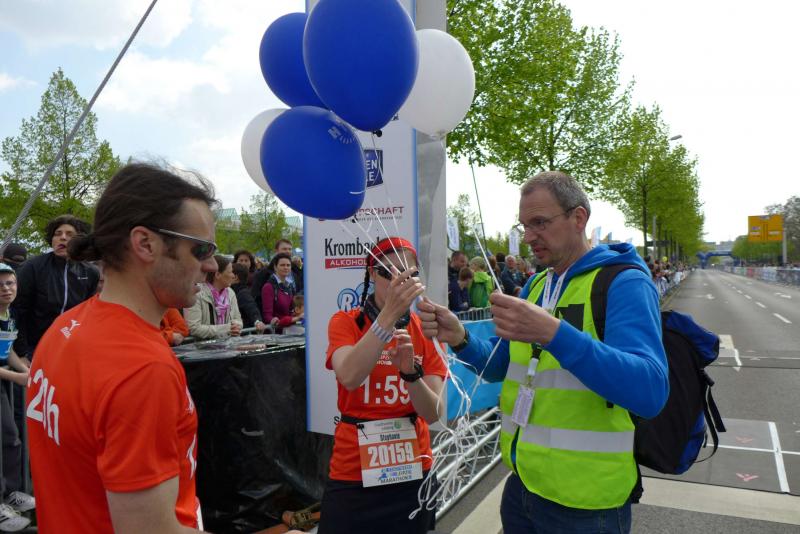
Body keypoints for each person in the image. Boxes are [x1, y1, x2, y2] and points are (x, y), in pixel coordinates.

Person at [418, 171, 668, 534]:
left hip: (586, 505)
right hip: (523, 486)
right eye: (524, 226)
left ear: (578, 218)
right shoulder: (537, 284)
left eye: (539, 223)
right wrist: (460, 337)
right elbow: (501, 366)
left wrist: (555, 334)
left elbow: (650, 390)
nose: (529, 237)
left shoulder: (623, 282)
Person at [25, 162, 217, 533]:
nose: (210, 264)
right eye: (201, 249)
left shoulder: (66, 327)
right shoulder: (143, 369)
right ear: (145, 244)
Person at [319, 237, 447, 534]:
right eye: (389, 273)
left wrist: (410, 374)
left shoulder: (425, 329)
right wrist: (388, 317)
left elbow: (433, 413)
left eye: (408, 274)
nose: (399, 282)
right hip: (353, 471)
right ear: (372, 274)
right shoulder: (345, 321)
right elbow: (349, 376)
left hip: (412, 468)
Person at [14, 215, 99, 360]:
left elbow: (87, 313)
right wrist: (22, 353)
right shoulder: (32, 267)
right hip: (33, 347)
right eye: (58, 234)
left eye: (69, 234)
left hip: (69, 346)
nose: (63, 238)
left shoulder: (90, 272)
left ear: (80, 240)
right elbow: (18, 311)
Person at [0, 263, 35, 532]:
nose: (5, 289)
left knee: (11, 438)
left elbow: (7, 349)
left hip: (4, 381)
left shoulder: (9, 314)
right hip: (4, 381)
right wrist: (17, 377)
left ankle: (10, 493)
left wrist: (26, 371)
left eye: (10, 283)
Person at [185, 255, 243, 340]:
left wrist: (236, 326)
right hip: (203, 347)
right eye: (230, 272)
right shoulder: (196, 293)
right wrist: (226, 328)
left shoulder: (230, 293)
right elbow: (193, 328)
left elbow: (238, 320)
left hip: (229, 345)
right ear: (218, 275)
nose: (233, 276)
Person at [252, 238, 300, 310]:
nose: (287, 251)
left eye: (290, 249)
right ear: (276, 251)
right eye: (284, 249)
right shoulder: (264, 274)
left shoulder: (296, 271)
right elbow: (256, 297)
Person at [261, 253, 301, 333]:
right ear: (275, 267)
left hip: (289, 329)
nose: (286, 267)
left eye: (288, 265)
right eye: (282, 265)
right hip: (276, 333)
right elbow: (267, 315)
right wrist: (273, 320)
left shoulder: (290, 285)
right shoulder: (268, 287)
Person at [231, 263, 267, 333]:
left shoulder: (243, 293)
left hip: (244, 334)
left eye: (230, 272)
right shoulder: (233, 291)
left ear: (235, 277)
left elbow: (252, 308)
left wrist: (257, 321)